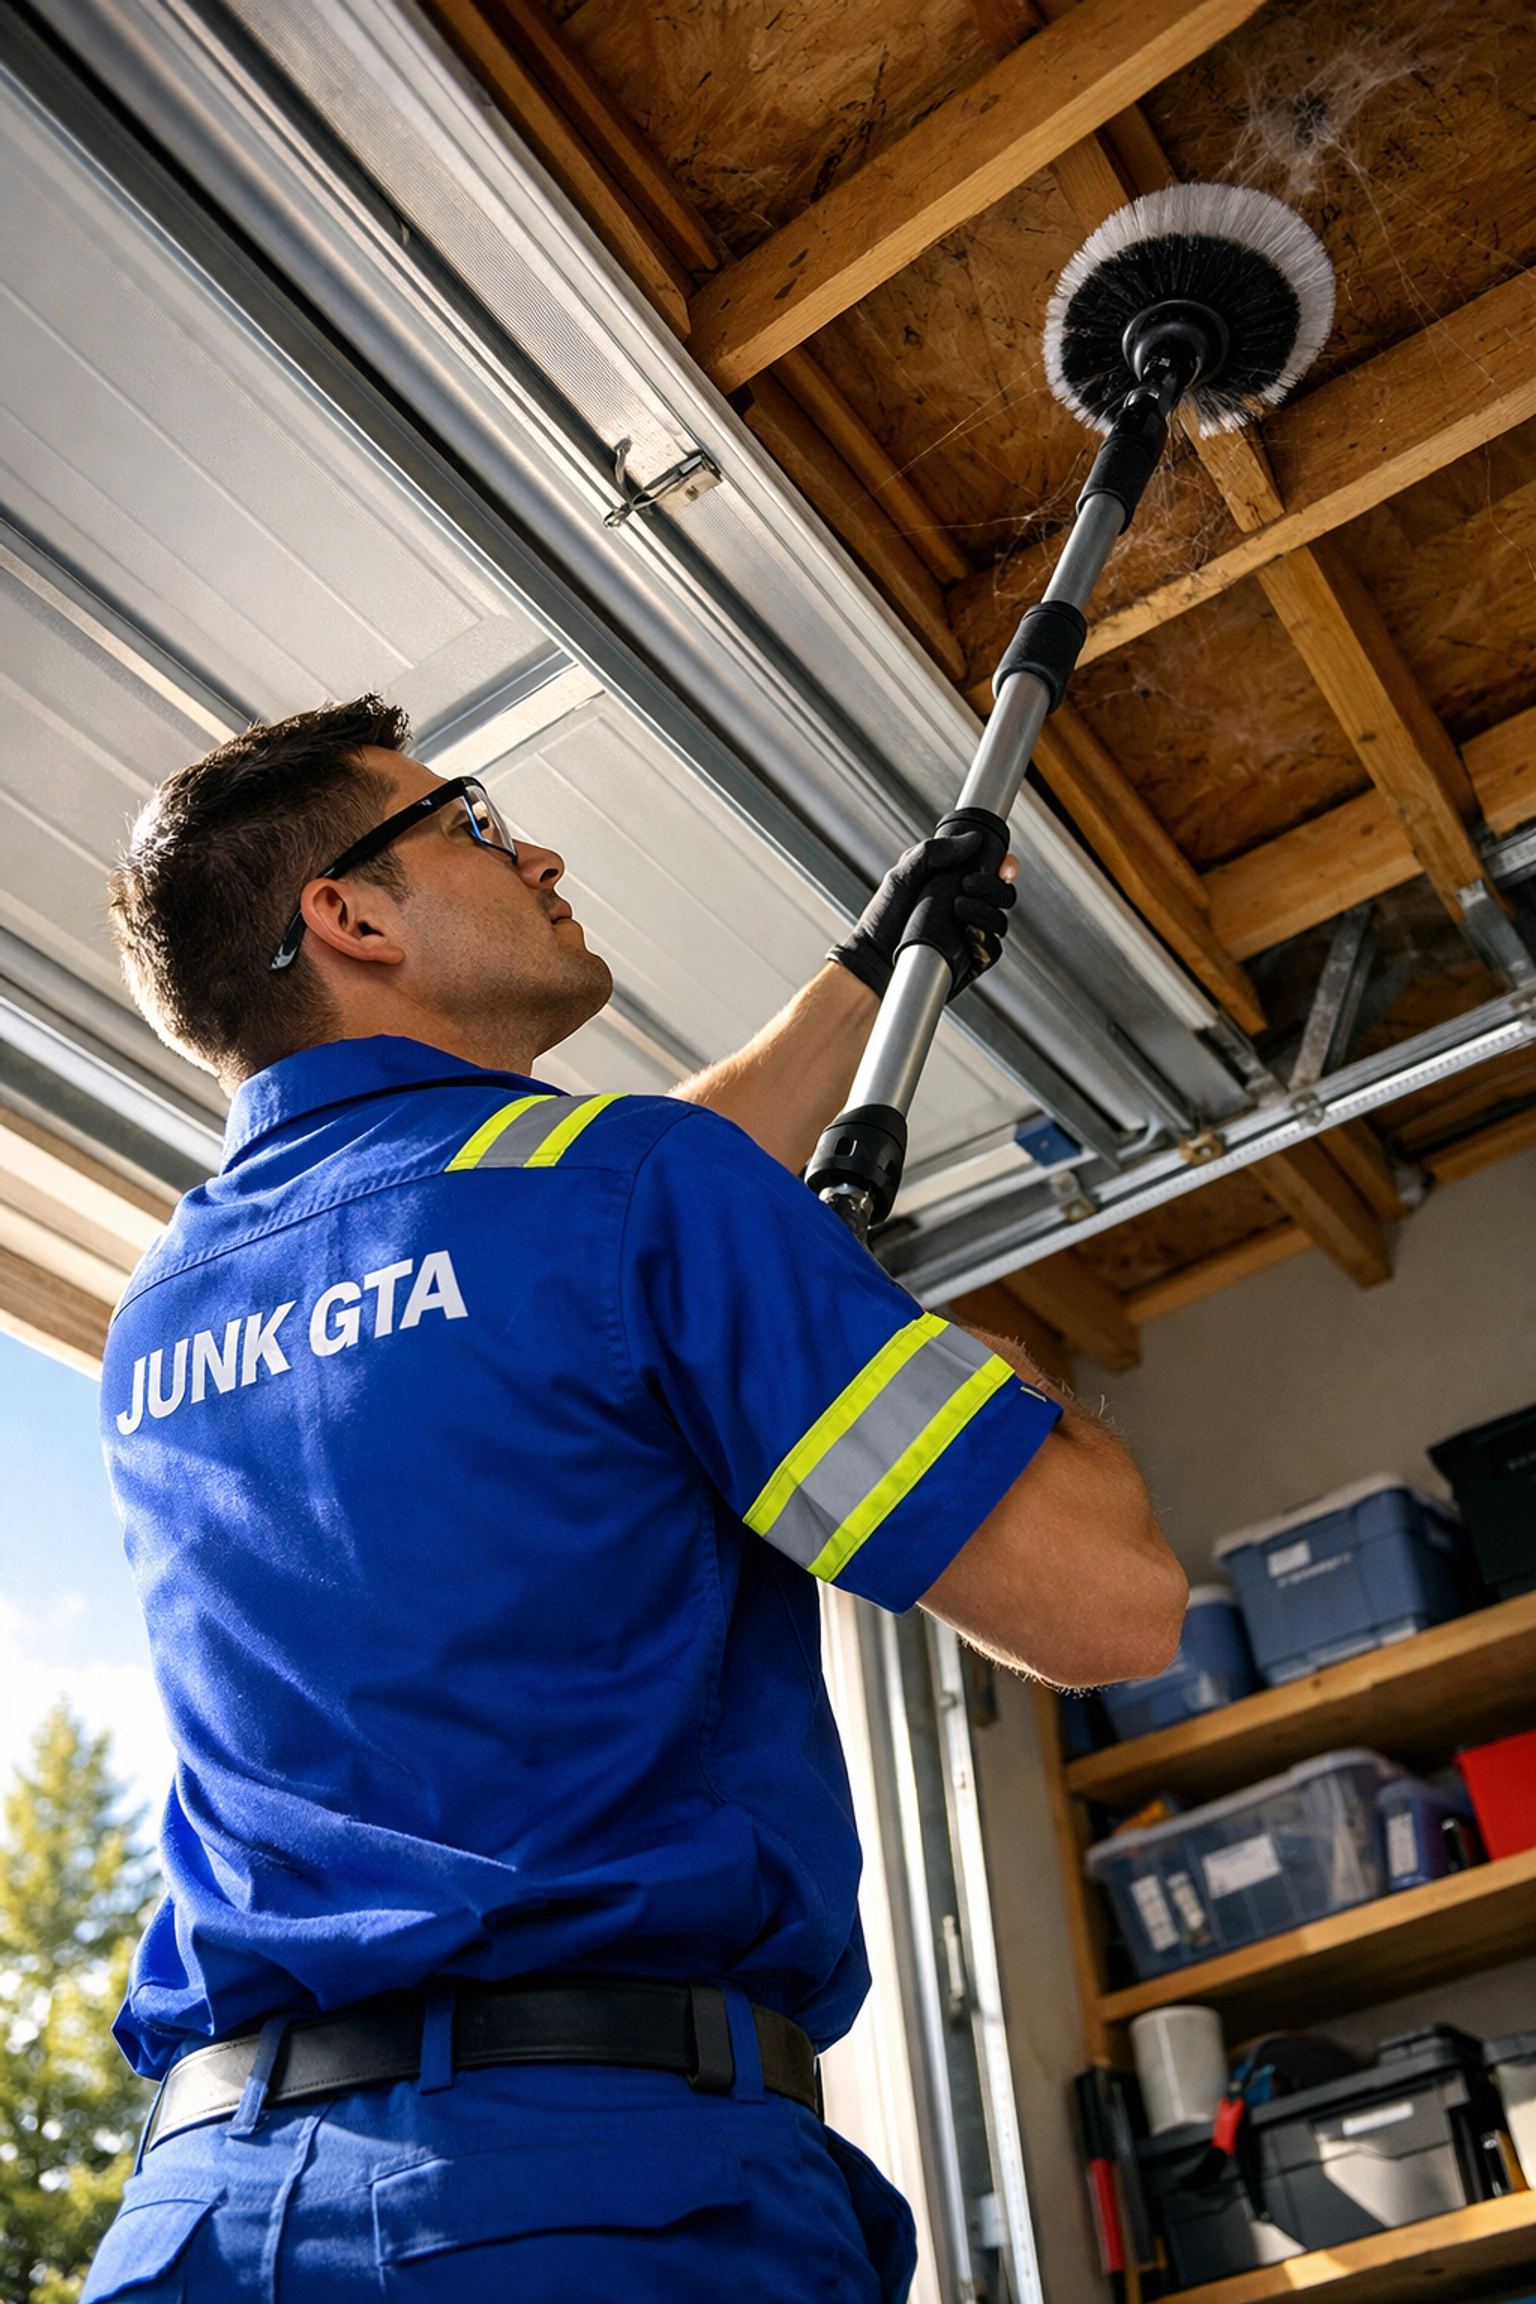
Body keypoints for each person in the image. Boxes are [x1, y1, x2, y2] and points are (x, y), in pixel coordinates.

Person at [86, 696, 1184, 2303]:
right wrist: (990, 1382)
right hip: (586, 2201)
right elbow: (1110, 1607)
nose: (531, 848)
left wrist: (869, 971)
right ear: (349, 914)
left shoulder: (169, 1307)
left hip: (202, 2225)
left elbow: (555, 1233)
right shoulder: (633, 1198)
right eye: (466, 819)